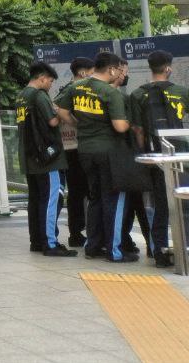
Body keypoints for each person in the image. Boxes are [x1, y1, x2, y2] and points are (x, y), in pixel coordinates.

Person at [70, 51, 137, 262]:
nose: (120, 73)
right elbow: (120, 126)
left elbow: (60, 110)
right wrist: (133, 123)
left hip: (85, 150)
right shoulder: (110, 92)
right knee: (113, 199)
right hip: (108, 152)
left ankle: (92, 246)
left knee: (95, 198)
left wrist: (79, 125)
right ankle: (115, 251)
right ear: (111, 69)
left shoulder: (77, 87)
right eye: (119, 69)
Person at [129, 49, 189, 268]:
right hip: (180, 154)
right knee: (184, 202)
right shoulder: (181, 91)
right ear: (168, 68)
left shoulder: (138, 94)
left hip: (155, 156)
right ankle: (185, 249)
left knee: (160, 204)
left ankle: (159, 252)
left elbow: (137, 129)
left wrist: (144, 151)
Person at [17, 62, 73, 256]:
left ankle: (37, 241)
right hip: (47, 158)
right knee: (50, 199)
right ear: (41, 78)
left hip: (29, 156)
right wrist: (60, 111)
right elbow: (53, 121)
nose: (50, 85)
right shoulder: (39, 95)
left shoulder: (21, 96)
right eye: (50, 81)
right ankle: (50, 243)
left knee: (36, 200)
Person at [114, 57, 153, 257]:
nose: (126, 75)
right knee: (138, 203)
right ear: (115, 70)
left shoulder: (120, 96)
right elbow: (135, 128)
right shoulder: (122, 98)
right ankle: (152, 246)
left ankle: (126, 241)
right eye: (124, 71)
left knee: (130, 203)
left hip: (121, 157)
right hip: (131, 156)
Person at [55, 56, 94, 248]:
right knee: (82, 191)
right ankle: (79, 233)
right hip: (75, 147)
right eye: (92, 73)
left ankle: (77, 233)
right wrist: (81, 125)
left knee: (77, 192)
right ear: (83, 73)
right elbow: (60, 112)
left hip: (70, 147)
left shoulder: (64, 90)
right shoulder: (74, 91)